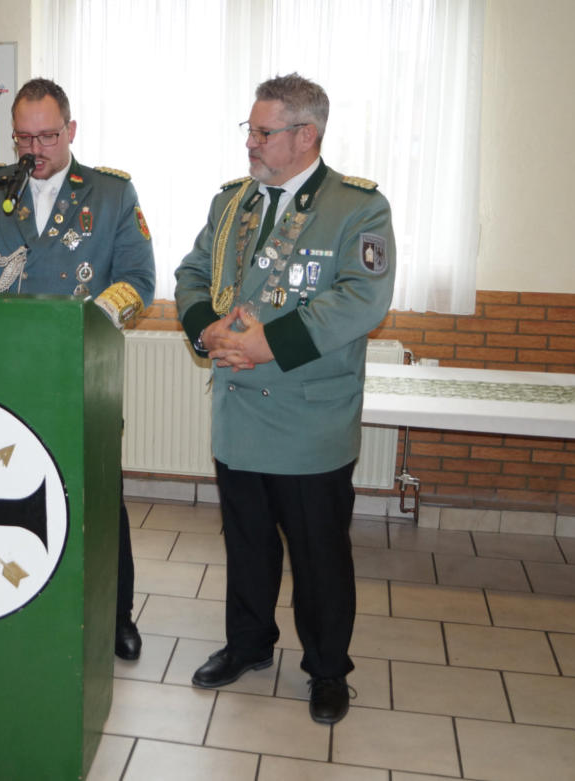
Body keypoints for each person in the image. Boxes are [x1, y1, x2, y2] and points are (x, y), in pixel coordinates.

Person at [173, 73, 396, 724]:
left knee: (318, 556)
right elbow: (192, 273)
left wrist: (267, 343)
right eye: (249, 129)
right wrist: (205, 330)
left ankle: (327, 670)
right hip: (239, 414)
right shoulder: (233, 204)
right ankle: (247, 645)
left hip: (308, 421)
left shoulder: (356, 208)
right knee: (247, 544)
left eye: (263, 132)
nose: (250, 142)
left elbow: (361, 298)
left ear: (306, 136)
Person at [0, 77, 155, 660]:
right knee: (8, 496)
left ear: (71, 130)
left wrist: (82, 328)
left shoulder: (111, 194)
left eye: (48, 137)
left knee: (99, 501)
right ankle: (20, 605)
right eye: (24, 138)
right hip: (1, 376)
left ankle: (115, 615)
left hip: (81, 373)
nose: (35, 150)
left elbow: (139, 281)